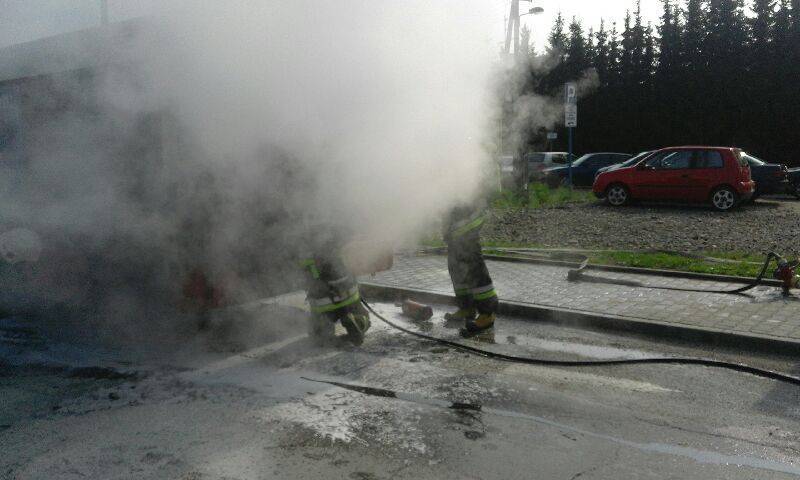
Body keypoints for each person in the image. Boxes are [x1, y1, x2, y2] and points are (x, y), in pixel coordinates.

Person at [298, 227, 370, 346]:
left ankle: (323, 332)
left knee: (318, 335)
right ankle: (357, 322)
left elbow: (306, 278)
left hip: (323, 305)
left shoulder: (306, 251)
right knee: (364, 318)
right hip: (349, 297)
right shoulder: (342, 239)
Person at [442, 202, 498, 335]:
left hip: (468, 222)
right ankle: (466, 308)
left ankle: (488, 313)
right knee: (456, 267)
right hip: (455, 230)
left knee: (474, 268)